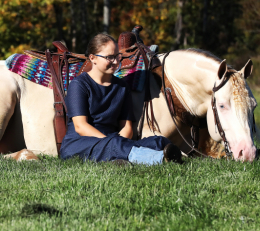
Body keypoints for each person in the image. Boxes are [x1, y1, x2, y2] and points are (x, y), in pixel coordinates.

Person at [59, 33, 182, 165]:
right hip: (79, 144)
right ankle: (159, 159)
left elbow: (126, 126)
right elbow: (80, 126)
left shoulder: (122, 87)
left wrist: (121, 143)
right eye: (109, 57)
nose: (116, 61)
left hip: (114, 141)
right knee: (115, 144)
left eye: (117, 56)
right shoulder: (79, 85)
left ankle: (122, 157)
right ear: (92, 58)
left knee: (158, 141)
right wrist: (112, 143)